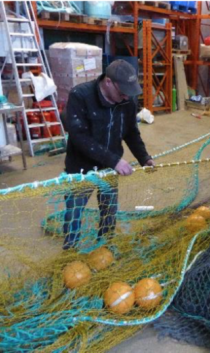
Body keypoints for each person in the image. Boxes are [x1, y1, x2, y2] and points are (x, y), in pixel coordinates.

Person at [63, 60, 154, 250]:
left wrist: (144, 157)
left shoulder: (127, 100)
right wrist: (114, 160)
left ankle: (105, 247)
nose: (125, 98)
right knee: (74, 211)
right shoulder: (80, 96)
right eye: (122, 93)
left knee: (109, 211)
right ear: (108, 82)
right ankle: (69, 252)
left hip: (110, 168)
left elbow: (131, 132)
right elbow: (79, 137)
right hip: (81, 168)